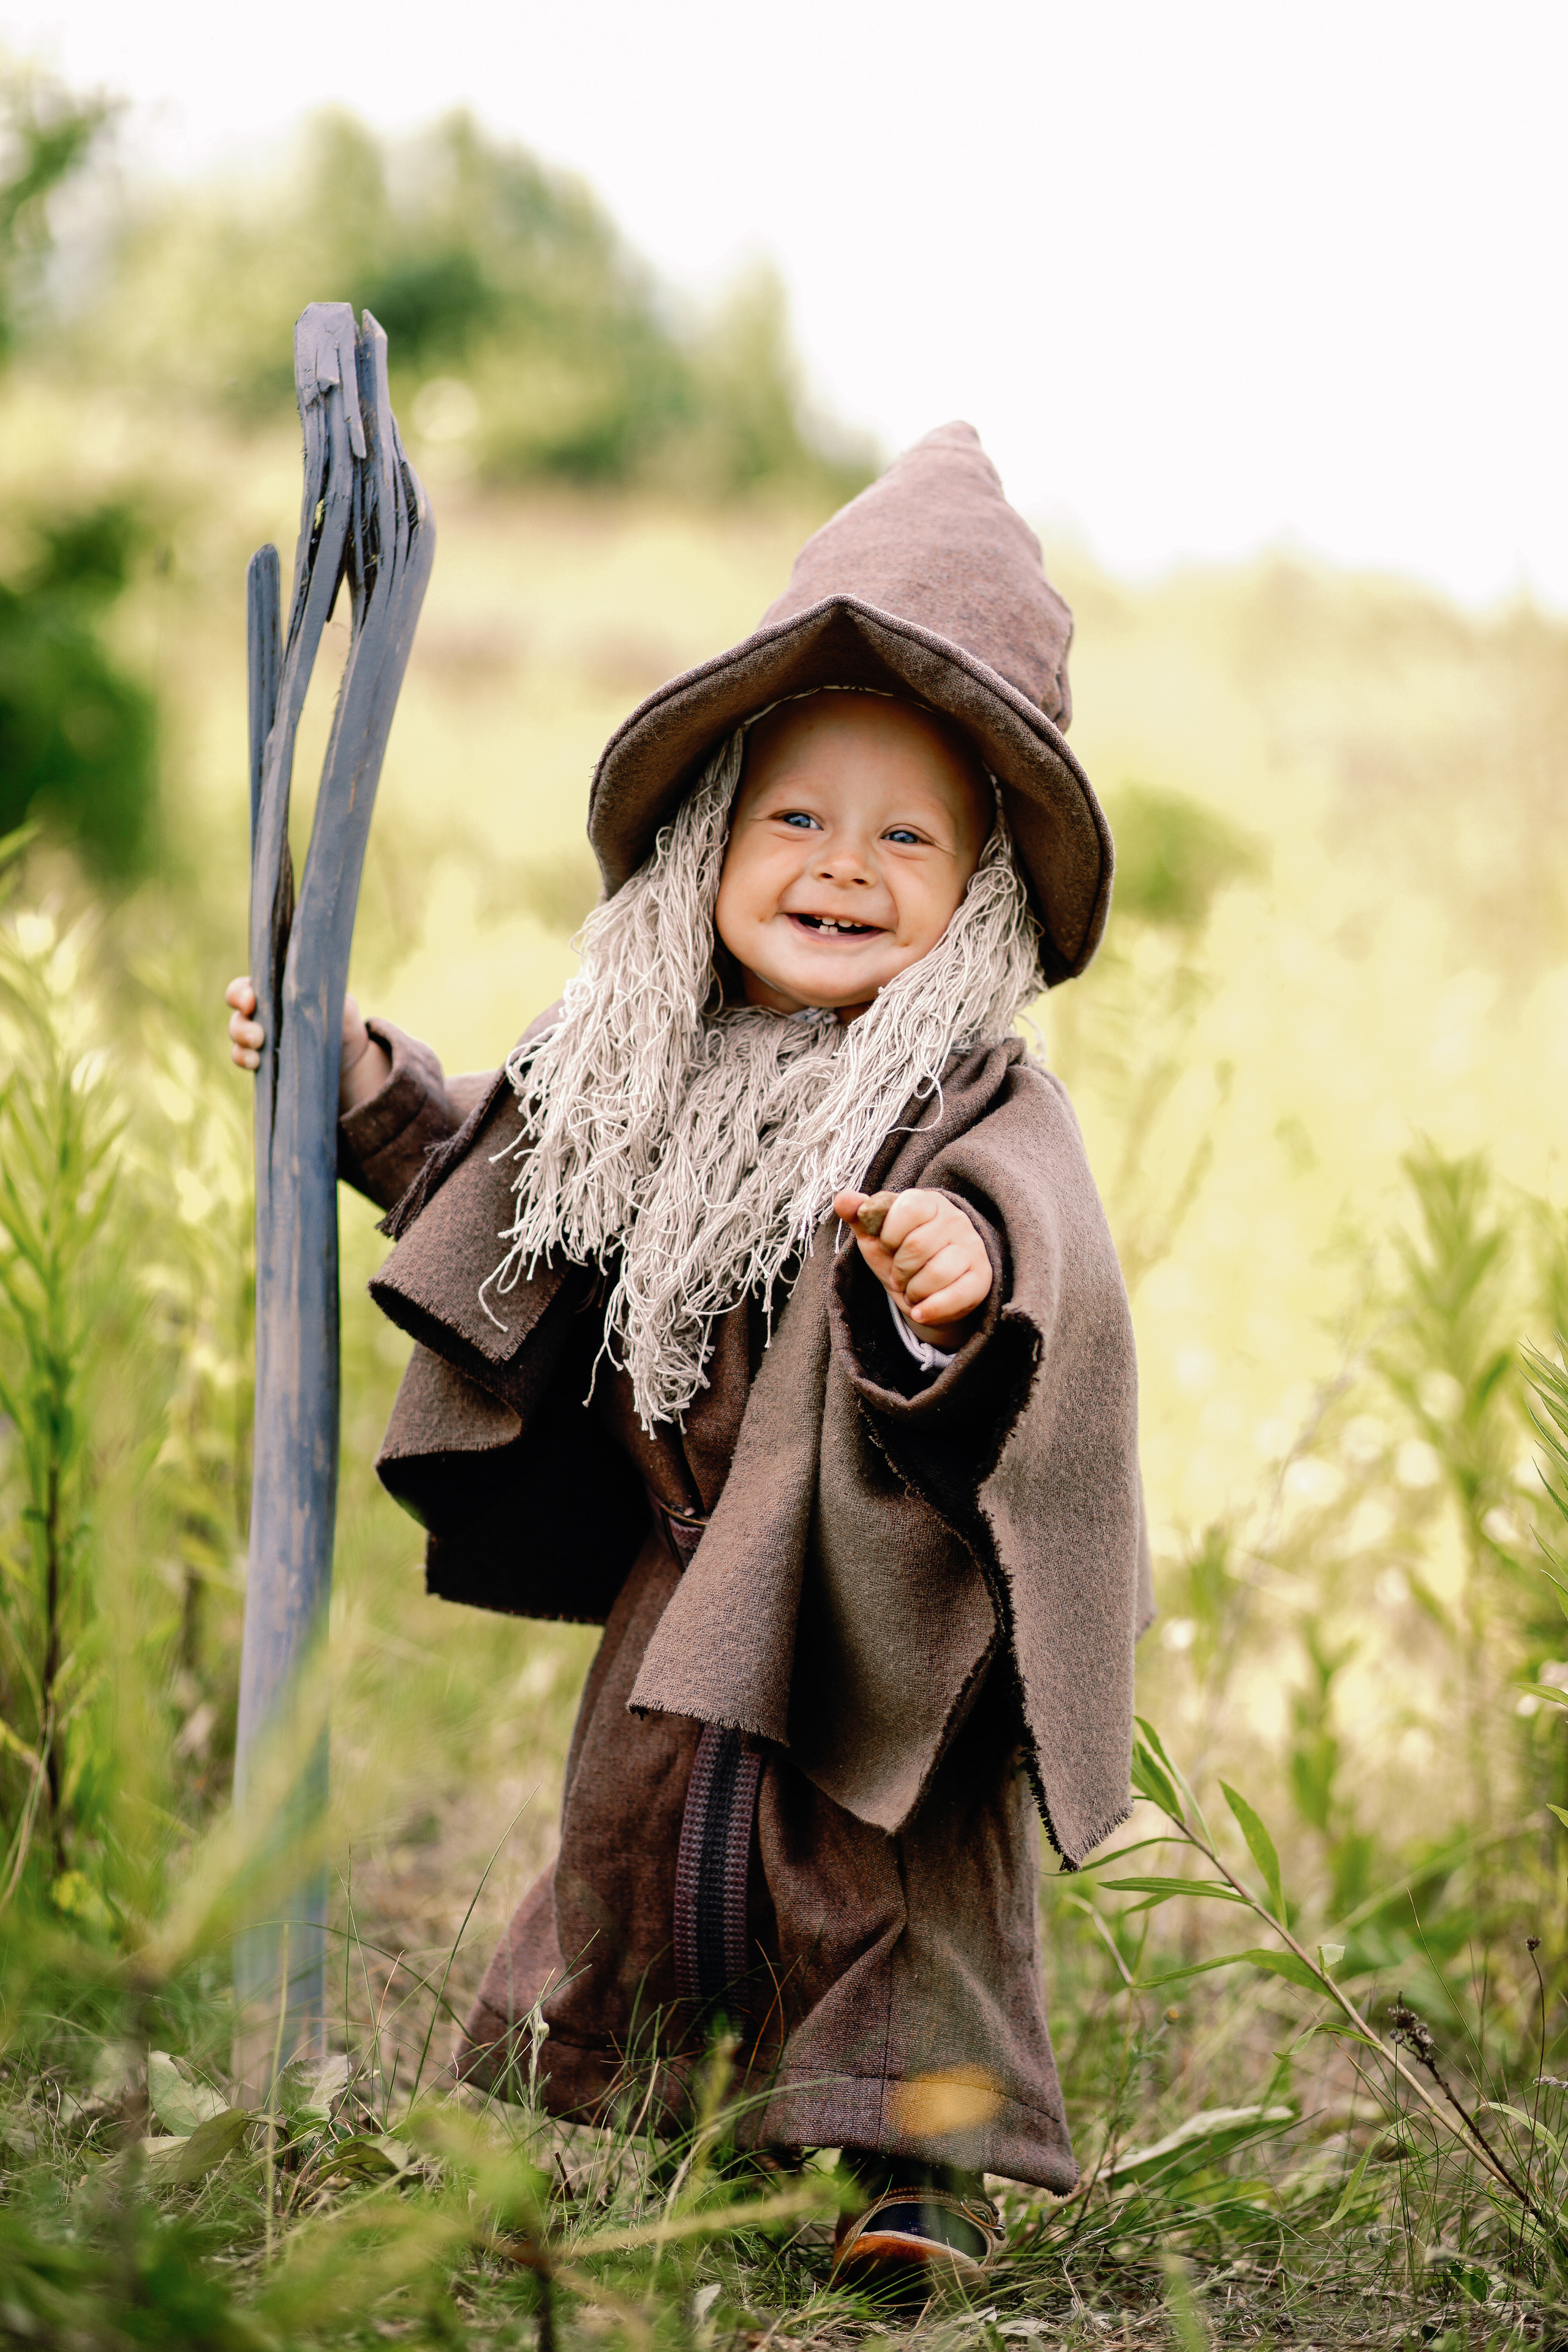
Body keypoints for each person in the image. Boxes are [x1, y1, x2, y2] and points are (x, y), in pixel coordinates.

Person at [226, 422, 1151, 2291]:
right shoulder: (651, 1061)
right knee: (649, 1851)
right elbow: (509, 1175)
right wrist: (354, 1087)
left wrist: (959, 1272)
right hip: (695, 1567)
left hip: (886, 1591)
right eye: (797, 820)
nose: (840, 869)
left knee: (894, 1894)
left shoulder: (969, 1089)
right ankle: (637, 2119)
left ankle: (916, 2181)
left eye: (908, 837)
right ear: (715, 840)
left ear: (976, 891)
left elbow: (1035, 1248)